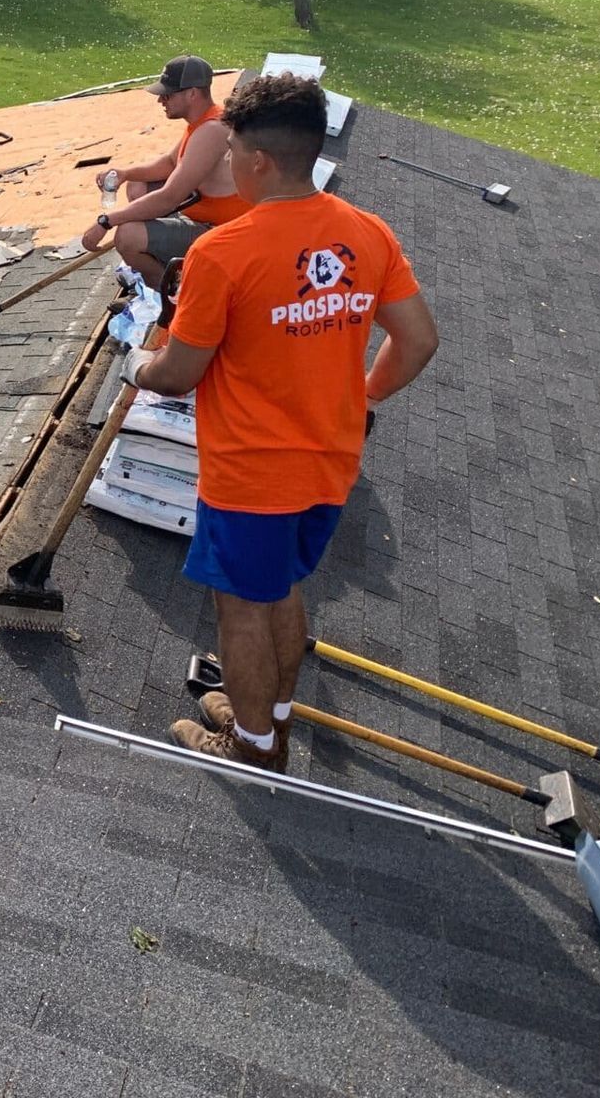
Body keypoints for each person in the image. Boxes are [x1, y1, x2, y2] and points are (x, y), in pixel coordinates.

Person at [123, 74, 438, 771]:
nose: (229, 164)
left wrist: (139, 371)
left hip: (252, 474)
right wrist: (361, 400)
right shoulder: (367, 233)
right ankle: (271, 712)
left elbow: (180, 371)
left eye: (233, 152)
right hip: (329, 465)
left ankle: (252, 744)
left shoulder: (223, 253)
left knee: (239, 609)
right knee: (284, 592)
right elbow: (417, 340)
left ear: (259, 160)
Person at [80, 55, 252, 289]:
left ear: (192, 93)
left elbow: (168, 197)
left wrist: (105, 222)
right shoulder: (204, 121)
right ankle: (166, 259)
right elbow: (170, 163)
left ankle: (173, 291)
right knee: (137, 184)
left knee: (127, 236)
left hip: (223, 233)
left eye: (168, 94)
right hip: (201, 214)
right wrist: (125, 173)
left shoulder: (212, 131)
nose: (161, 99)